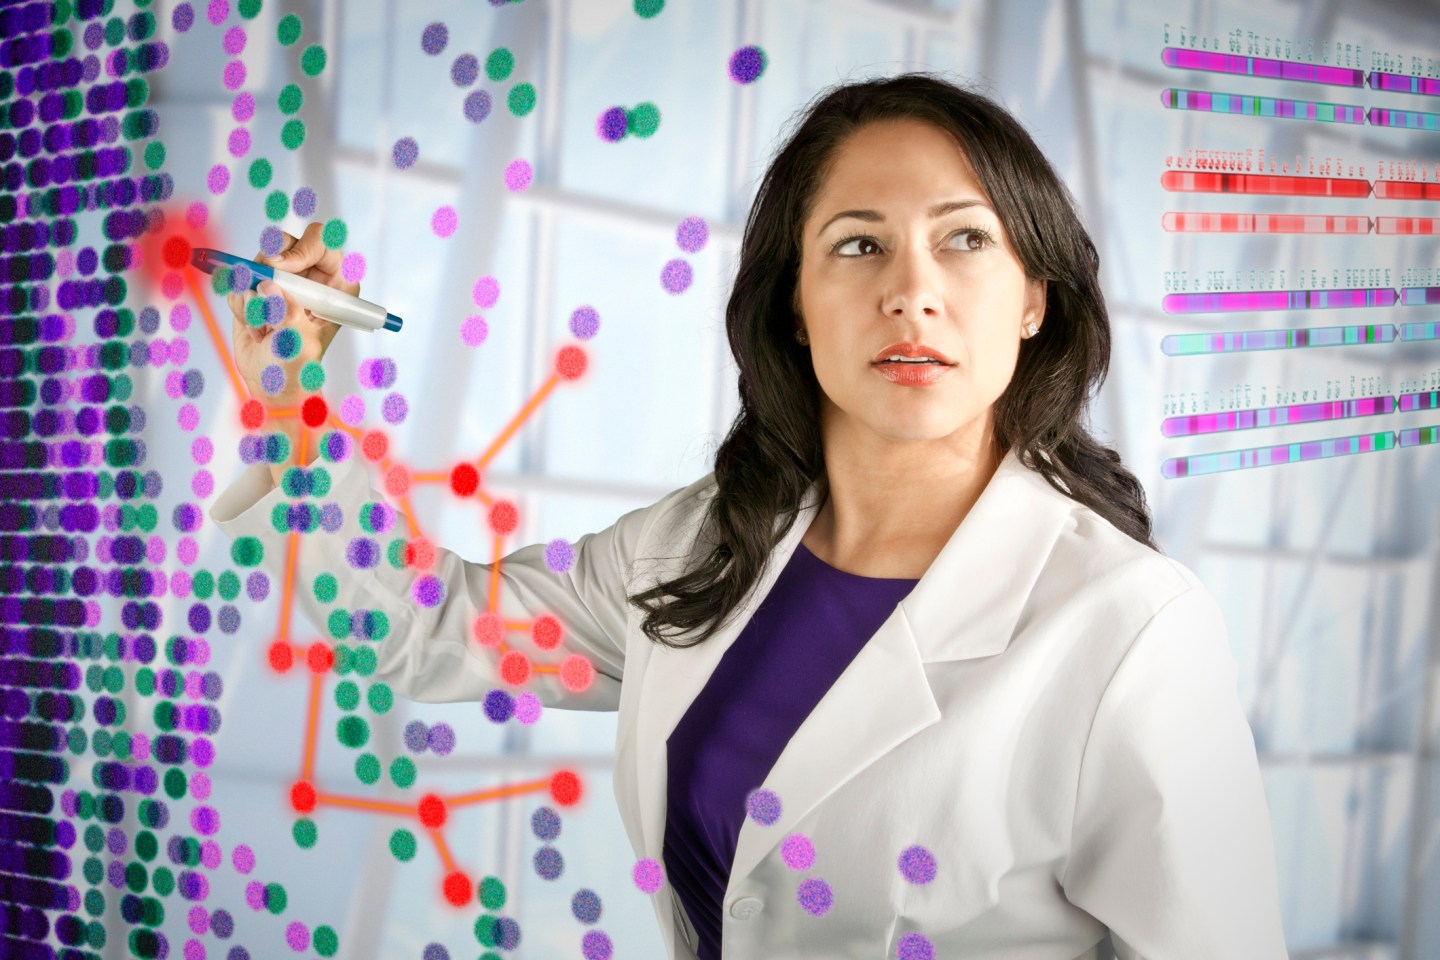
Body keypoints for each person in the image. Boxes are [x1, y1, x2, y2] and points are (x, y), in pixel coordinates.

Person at [212, 73, 1289, 959]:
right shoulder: (697, 546)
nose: (912, 292)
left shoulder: (1132, 628)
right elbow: (419, 627)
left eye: (965, 240)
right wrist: (289, 405)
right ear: (796, 305)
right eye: (858, 246)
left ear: (1034, 300)